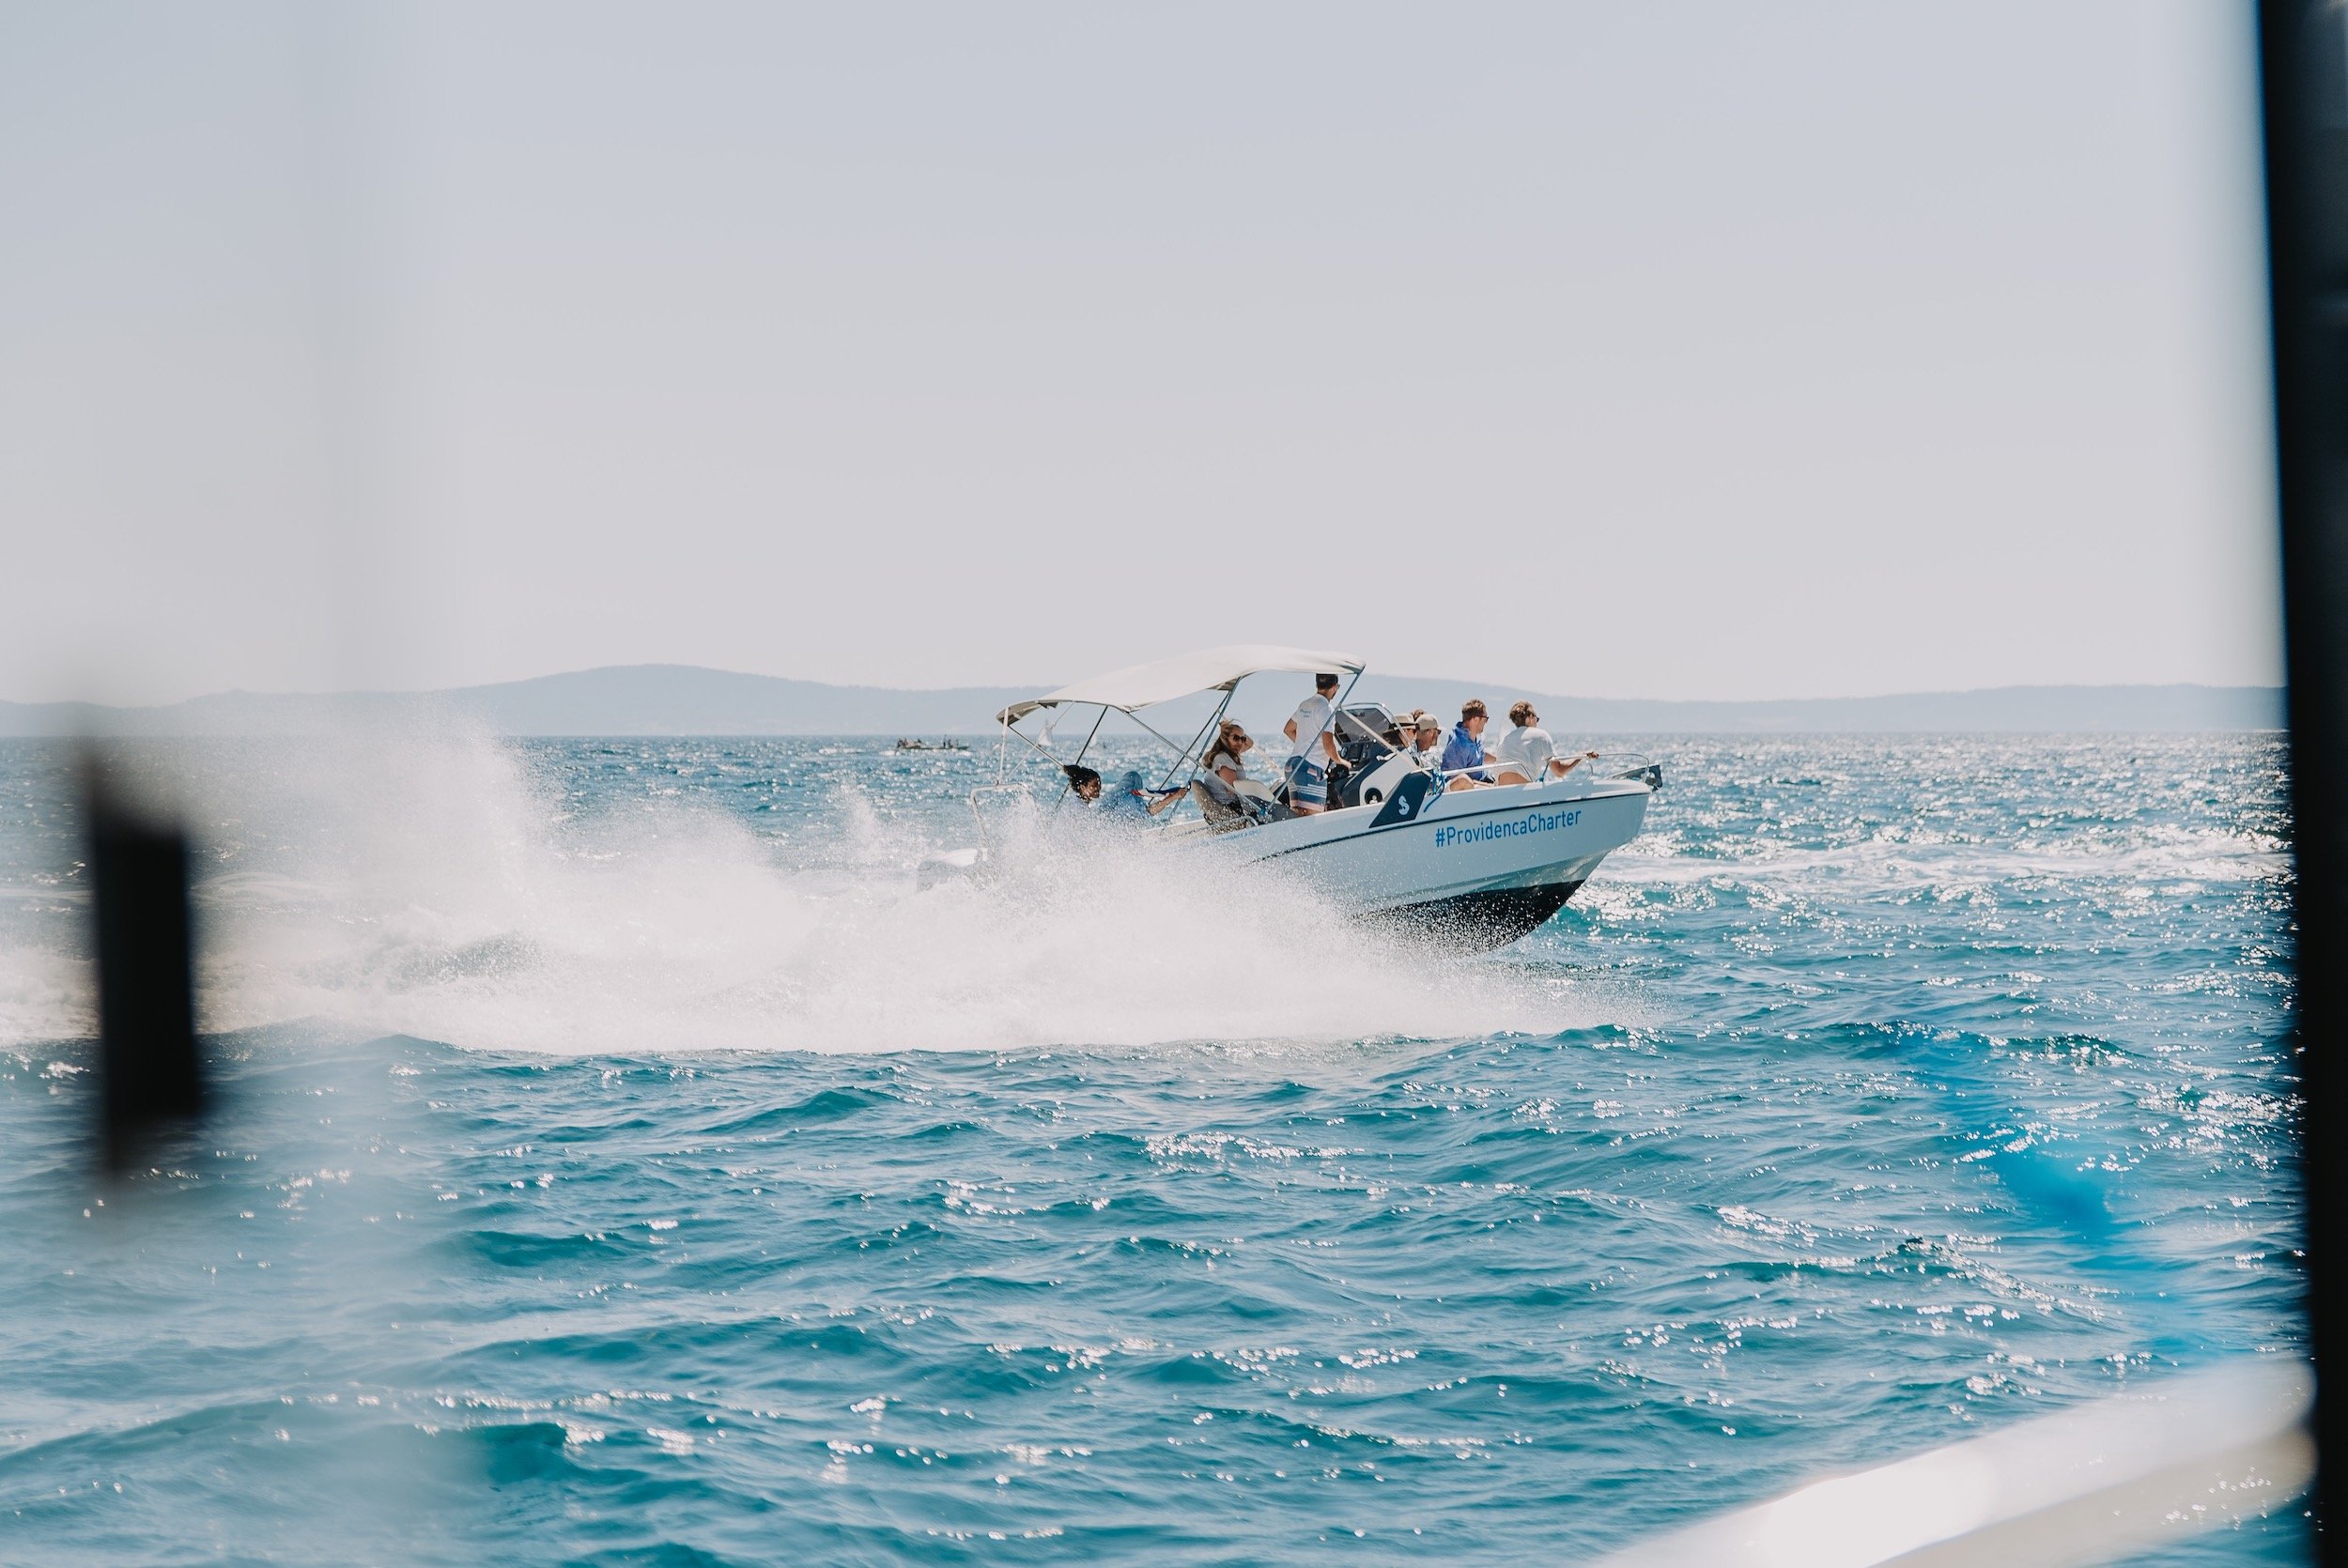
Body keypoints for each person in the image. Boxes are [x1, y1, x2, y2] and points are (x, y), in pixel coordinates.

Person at [1491, 699, 1599, 786]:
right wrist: (1581, 755)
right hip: (1523, 795)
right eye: (1536, 719)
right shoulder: (1540, 735)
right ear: (1530, 718)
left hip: (1502, 793)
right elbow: (1559, 771)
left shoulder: (1504, 740)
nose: (1537, 723)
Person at [1282, 672, 1343, 815]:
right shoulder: (1326, 708)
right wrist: (1340, 761)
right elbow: (1328, 745)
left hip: (1293, 766)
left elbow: (1288, 729)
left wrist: (1304, 744)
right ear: (1335, 686)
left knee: (1298, 816)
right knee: (1312, 818)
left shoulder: (1305, 704)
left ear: (1317, 685)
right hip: (1311, 769)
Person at [1439, 699, 1497, 792]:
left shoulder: (1474, 738)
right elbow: (1458, 779)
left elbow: (1480, 754)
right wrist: (1489, 785)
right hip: (1461, 788)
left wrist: (1499, 760)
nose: (1486, 722)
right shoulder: (1458, 744)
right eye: (1485, 719)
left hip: (1480, 781)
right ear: (1476, 719)